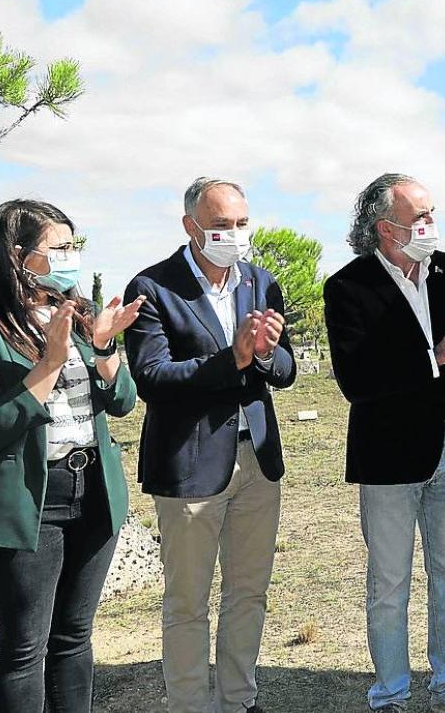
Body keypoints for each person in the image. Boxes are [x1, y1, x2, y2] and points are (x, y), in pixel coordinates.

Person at [0, 199, 144, 713]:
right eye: (60, 247)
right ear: (17, 255)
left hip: (93, 492)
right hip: (27, 503)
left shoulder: (74, 313)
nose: (71, 256)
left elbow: (121, 403)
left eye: (75, 246)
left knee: (74, 637)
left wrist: (101, 347)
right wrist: (50, 362)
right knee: (25, 646)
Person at [324, 173, 445, 713]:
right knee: (389, 583)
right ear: (384, 228)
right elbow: (356, 379)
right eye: (418, 217)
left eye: (431, 214)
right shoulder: (347, 286)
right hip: (388, 454)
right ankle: (391, 697)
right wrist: (437, 355)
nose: (430, 226)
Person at [123, 177, 295, 713]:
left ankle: (239, 699)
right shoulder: (152, 287)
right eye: (221, 226)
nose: (234, 235)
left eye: (242, 224)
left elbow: (284, 369)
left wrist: (265, 355)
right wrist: (234, 359)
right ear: (190, 226)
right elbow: (152, 378)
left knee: (248, 593)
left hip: (256, 460)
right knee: (187, 601)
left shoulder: (261, 282)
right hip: (191, 467)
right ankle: (191, 705)